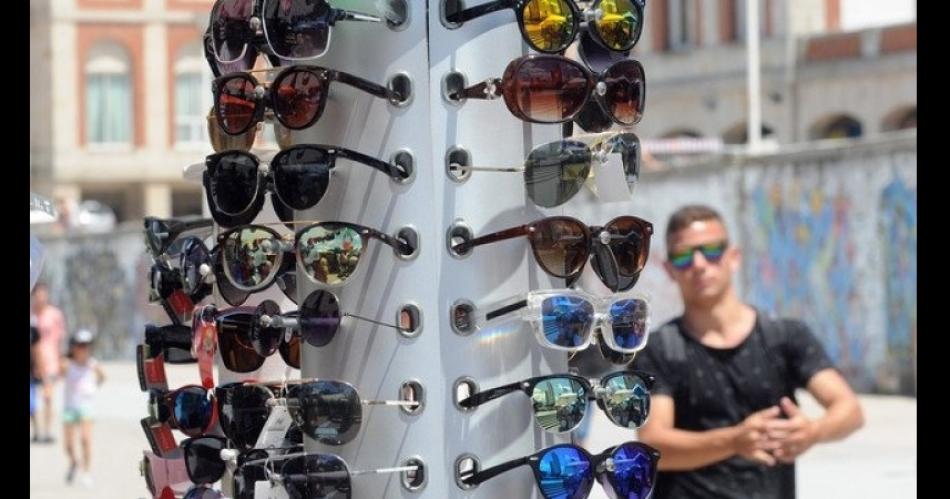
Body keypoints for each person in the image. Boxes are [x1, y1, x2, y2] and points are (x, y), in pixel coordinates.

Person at [634, 205, 864, 499]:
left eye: (712, 251)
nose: (700, 264)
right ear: (669, 269)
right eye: (683, 256)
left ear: (734, 257)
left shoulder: (784, 336)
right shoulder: (660, 349)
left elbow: (850, 410)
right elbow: (654, 445)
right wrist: (734, 441)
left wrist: (812, 433)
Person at [61, 329, 105, 487]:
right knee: (68, 445)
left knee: (85, 439)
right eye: (80, 345)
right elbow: (59, 373)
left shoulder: (92, 364)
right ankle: (74, 462)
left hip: (86, 406)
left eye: (86, 345)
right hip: (70, 407)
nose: (84, 349)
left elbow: (103, 377)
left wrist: (95, 385)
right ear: (74, 347)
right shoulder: (68, 363)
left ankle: (86, 472)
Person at [30, 281, 66, 444]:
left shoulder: (55, 315)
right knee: (32, 397)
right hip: (31, 361)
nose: (40, 298)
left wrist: (61, 361)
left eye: (43, 294)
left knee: (48, 395)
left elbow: (59, 340)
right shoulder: (31, 315)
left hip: (50, 359)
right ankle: (36, 429)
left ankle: (47, 430)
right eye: (38, 295)